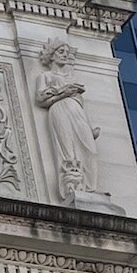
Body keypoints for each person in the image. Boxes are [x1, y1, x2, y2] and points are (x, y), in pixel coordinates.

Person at [34, 39, 102, 203]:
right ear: (52, 55)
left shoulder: (71, 76)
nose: (65, 54)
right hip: (60, 109)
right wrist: (64, 91)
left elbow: (81, 103)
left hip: (77, 112)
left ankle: (90, 189)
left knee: (90, 151)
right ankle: (72, 186)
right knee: (67, 151)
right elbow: (40, 98)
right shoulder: (46, 76)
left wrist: (89, 125)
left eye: (66, 52)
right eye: (61, 51)